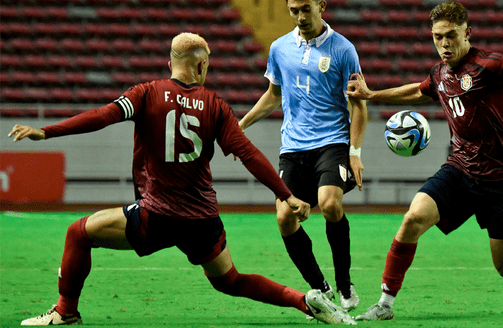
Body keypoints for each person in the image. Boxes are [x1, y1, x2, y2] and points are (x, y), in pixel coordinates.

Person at [10, 32, 356, 326]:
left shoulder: (145, 94)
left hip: (155, 216)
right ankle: (304, 301)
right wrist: (286, 195)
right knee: (229, 280)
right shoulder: (216, 106)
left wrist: (46, 132)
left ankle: (65, 312)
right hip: (203, 221)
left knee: (78, 233)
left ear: (171, 61)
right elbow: (249, 154)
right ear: (201, 65)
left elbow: (102, 116)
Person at [346, 1, 503, 321]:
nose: (444, 43)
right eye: (437, 37)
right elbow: (418, 91)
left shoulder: (489, 66)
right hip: (460, 169)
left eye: (450, 36)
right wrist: (372, 95)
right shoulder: (440, 73)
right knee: (412, 218)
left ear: (467, 33)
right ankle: (385, 304)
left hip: (501, 179)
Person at [237, 0, 368, 311]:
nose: (299, 16)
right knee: (284, 217)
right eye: (293, 10)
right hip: (293, 147)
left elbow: (358, 105)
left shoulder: (343, 50)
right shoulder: (280, 48)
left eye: (305, 9)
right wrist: (239, 127)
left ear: (321, 6)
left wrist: (354, 152)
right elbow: (273, 96)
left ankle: (344, 284)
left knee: (329, 203)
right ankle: (320, 289)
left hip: (333, 142)